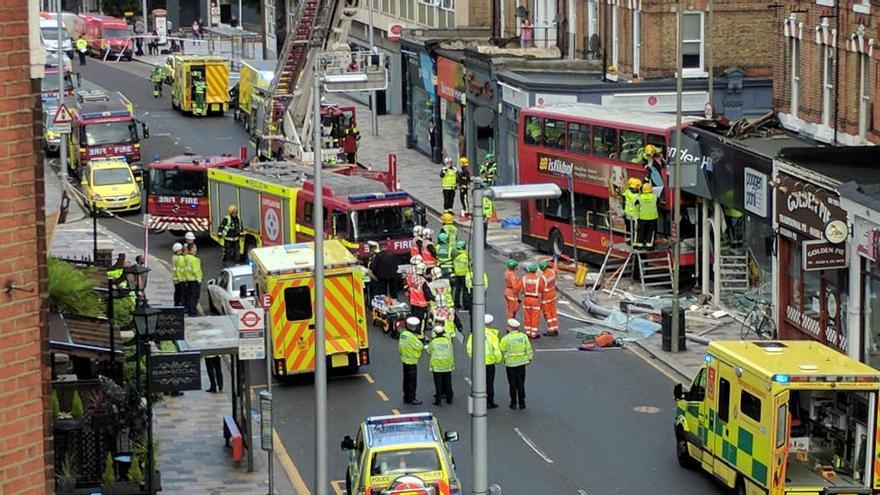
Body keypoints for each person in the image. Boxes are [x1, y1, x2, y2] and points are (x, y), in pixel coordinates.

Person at [466, 314, 502, 408]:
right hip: (489, 362)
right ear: (490, 324)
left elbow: (469, 348)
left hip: (478, 363)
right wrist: (498, 360)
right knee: (489, 383)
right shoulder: (492, 335)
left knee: (479, 382)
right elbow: (496, 350)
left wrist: (473, 358)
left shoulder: (474, 334)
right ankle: (490, 401)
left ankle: (479, 401)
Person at [500, 318, 533, 409]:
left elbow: (502, 349)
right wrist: (530, 358)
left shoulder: (506, 338)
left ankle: (513, 402)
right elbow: (528, 348)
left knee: (512, 383)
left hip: (510, 364)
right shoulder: (523, 336)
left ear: (510, 328)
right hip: (522, 363)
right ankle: (522, 402)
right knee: (521, 383)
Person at [399, 317, 424, 405]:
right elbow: (420, 346)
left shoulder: (403, 334)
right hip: (412, 361)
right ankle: (411, 398)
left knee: (406, 381)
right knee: (412, 382)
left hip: (404, 359)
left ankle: (406, 397)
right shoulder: (411, 337)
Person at [427, 325, 454, 405]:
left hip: (437, 365)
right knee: (448, 382)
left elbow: (429, 351)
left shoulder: (433, 342)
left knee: (438, 383)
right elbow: (451, 352)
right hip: (447, 364)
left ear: (435, 333)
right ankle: (449, 399)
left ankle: (438, 400)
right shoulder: (448, 342)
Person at [405, 264, 434, 337]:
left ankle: (413, 333)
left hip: (413, 303)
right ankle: (421, 336)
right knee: (422, 322)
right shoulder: (423, 281)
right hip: (422, 305)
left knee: (414, 319)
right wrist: (434, 298)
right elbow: (427, 293)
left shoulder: (413, 278)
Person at [521, 263, 544, 339]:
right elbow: (541, 289)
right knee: (535, 316)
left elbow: (522, 289)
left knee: (527, 316)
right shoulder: (538, 279)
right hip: (535, 299)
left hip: (526, 299)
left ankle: (527, 332)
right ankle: (533, 333)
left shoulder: (524, 278)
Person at [635, 182, 659, 248]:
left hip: (642, 217)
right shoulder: (654, 197)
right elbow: (658, 203)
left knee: (641, 231)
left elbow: (636, 204)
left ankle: (640, 244)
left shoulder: (640, 197)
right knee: (650, 231)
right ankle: (649, 245)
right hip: (652, 217)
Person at [539, 260, 559, 336]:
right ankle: (555, 328)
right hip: (553, 294)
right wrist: (555, 261)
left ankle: (551, 329)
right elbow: (555, 270)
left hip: (546, 296)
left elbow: (540, 289)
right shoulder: (552, 272)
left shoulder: (543, 277)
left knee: (547, 313)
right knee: (553, 311)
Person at [183, 244, 203, 316]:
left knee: (189, 296)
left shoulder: (186, 258)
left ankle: (189, 310)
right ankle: (193, 311)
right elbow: (196, 271)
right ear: (190, 249)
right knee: (194, 297)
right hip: (195, 280)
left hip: (188, 280)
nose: (196, 249)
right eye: (194, 247)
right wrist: (199, 279)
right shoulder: (194, 259)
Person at [622, 177, 642, 245]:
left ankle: (628, 240)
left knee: (628, 229)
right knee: (635, 230)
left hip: (627, 214)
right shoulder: (635, 196)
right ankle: (635, 242)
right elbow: (639, 203)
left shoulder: (627, 192)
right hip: (634, 216)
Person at [171, 242, 186, 307]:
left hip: (175, 279)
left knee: (177, 292)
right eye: (181, 250)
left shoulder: (174, 257)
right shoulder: (179, 258)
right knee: (181, 293)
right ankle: (181, 304)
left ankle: (176, 303)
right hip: (180, 279)